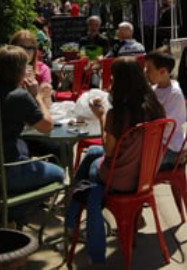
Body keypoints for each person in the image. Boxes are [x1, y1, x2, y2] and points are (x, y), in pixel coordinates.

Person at [65, 58, 166, 264]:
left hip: (118, 180)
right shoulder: (154, 107)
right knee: (93, 153)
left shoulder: (118, 114)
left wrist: (101, 117)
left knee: (91, 168)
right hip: (143, 175)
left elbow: (109, 151)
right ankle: (74, 203)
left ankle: (72, 207)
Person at [0, 45, 66, 225]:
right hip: (2, 178)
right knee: (59, 175)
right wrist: (36, 97)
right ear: (19, 70)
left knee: (26, 150)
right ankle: (6, 217)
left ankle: (10, 213)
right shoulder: (18, 96)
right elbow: (46, 126)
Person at [143, 50, 187, 169]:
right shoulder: (154, 89)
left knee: (131, 161)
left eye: (148, 70)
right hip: (157, 144)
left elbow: (165, 124)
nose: (145, 73)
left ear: (162, 71)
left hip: (170, 148)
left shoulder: (174, 94)